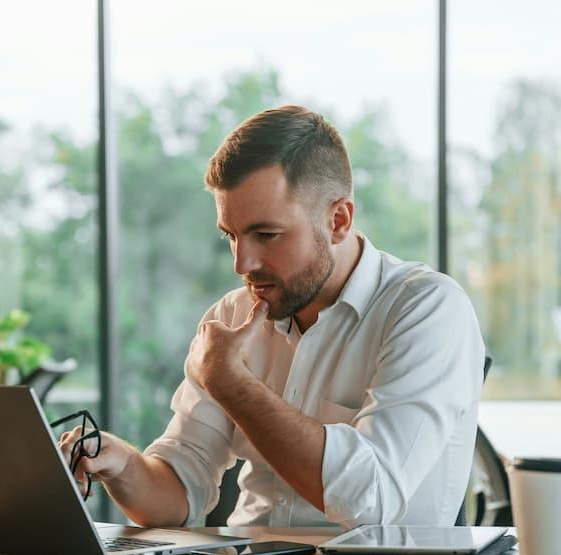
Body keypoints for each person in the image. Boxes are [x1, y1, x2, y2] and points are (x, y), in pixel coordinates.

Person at [60, 105, 485, 529]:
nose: (242, 263)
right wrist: (123, 465)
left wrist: (232, 384)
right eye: (232, 236)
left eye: (266, 235)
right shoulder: (232, 316)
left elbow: (370, 499)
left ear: (338, 220)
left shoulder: (428, 310)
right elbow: (178, 494)